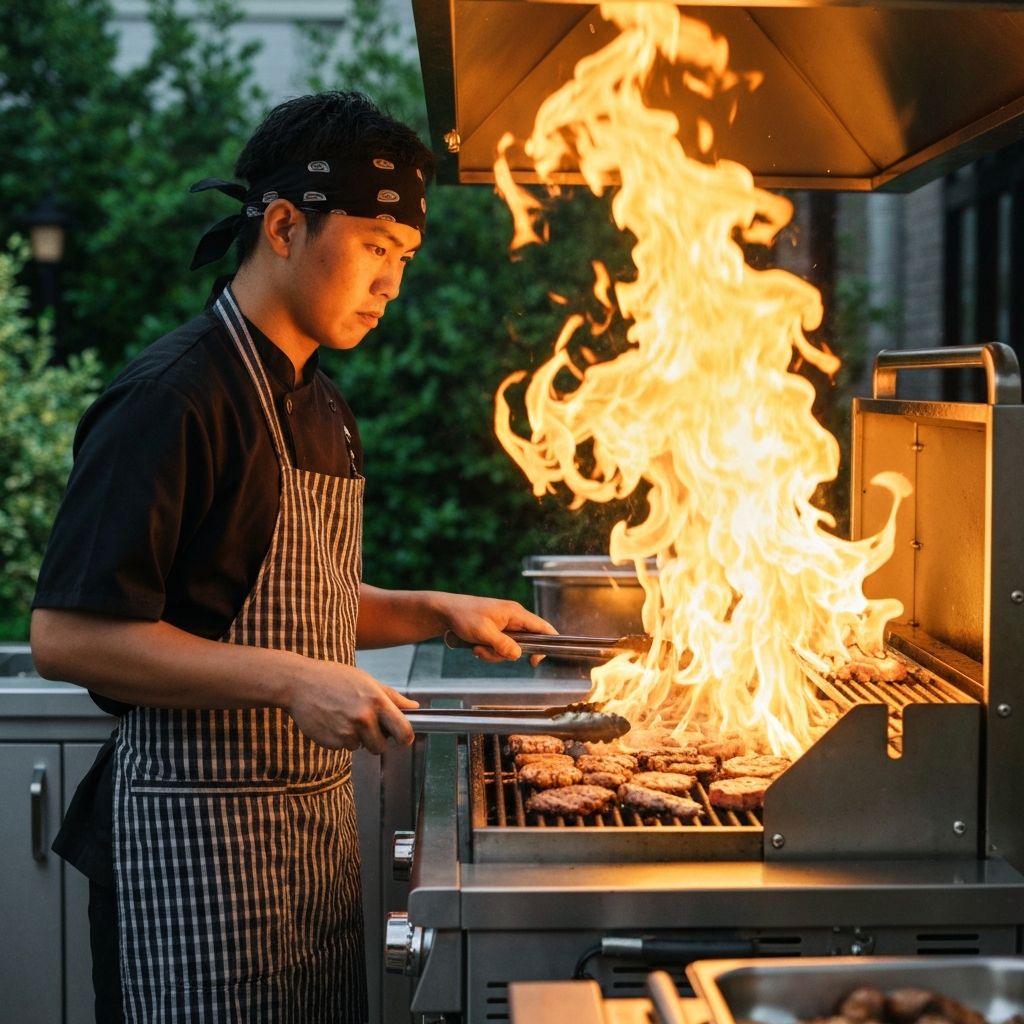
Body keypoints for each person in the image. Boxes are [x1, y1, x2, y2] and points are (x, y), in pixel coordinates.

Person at [30, 90, 555, 1024]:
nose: (393, 283)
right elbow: (69, 638)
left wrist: (436, 609)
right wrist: (291, 682)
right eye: (375, 249)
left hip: (303, 849)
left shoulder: (320, 401)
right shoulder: (171, 398)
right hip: (190, 849)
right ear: (282, 224)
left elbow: (301, 599)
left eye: (404, 259)